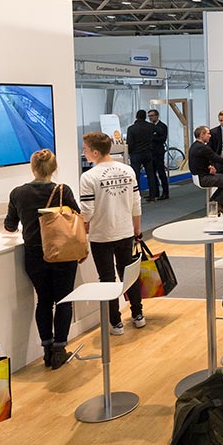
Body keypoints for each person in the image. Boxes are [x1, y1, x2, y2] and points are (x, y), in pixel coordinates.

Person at [4, 149, 80, 370]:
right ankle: (59, 349)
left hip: (34, 254)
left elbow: (10, 226)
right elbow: (77, 216)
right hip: (62, 252)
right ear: (54, 168)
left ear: (33, 168)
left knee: (44, 301)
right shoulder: (63, 190)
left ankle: (47, 350)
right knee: (64, 300)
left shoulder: (18, 193)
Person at [80, 132, 144, 335]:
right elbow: (136, 203)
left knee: (107, 279)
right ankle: (138, 314)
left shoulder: (88, 176)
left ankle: (116, 323)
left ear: (95, 152)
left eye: (85, 149)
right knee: (128, 275)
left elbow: (87, 210)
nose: (83, 152)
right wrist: (137, 229)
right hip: (125, 231)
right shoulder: (127, 170)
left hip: (101, 235)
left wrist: (83, 226)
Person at [188, 126, 223, 211]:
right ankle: (219, 205)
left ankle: (214, 203)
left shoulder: (194, 146)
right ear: (202, 135)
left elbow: (197, 163)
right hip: (204, 178)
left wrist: (209, 167)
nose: (210, 136)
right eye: (208, 134)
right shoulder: (203, 148)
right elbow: (221, 160)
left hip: (200, 176)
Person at [126, 109, 159, 202]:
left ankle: (136, 196)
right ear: (145, 117)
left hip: (136, 154)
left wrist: (130, 152)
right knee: (150, 175)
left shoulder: (131, 128)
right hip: (148, 153)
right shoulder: (151, 126)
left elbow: (130, 143)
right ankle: (152, 195)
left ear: (136, 117)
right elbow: (159, 134)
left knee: (136, 176)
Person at [148, 109, 170, 200]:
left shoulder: (162, 126)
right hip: (150, 152)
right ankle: (155, 192)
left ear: (157, 116)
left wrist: (152, 137)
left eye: (152, 116)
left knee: (161, 173)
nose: (150, 118)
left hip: (158, 152)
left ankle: (165, 192)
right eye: (149, 116)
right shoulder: (149, 126)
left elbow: (162, 139)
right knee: (152, 174)